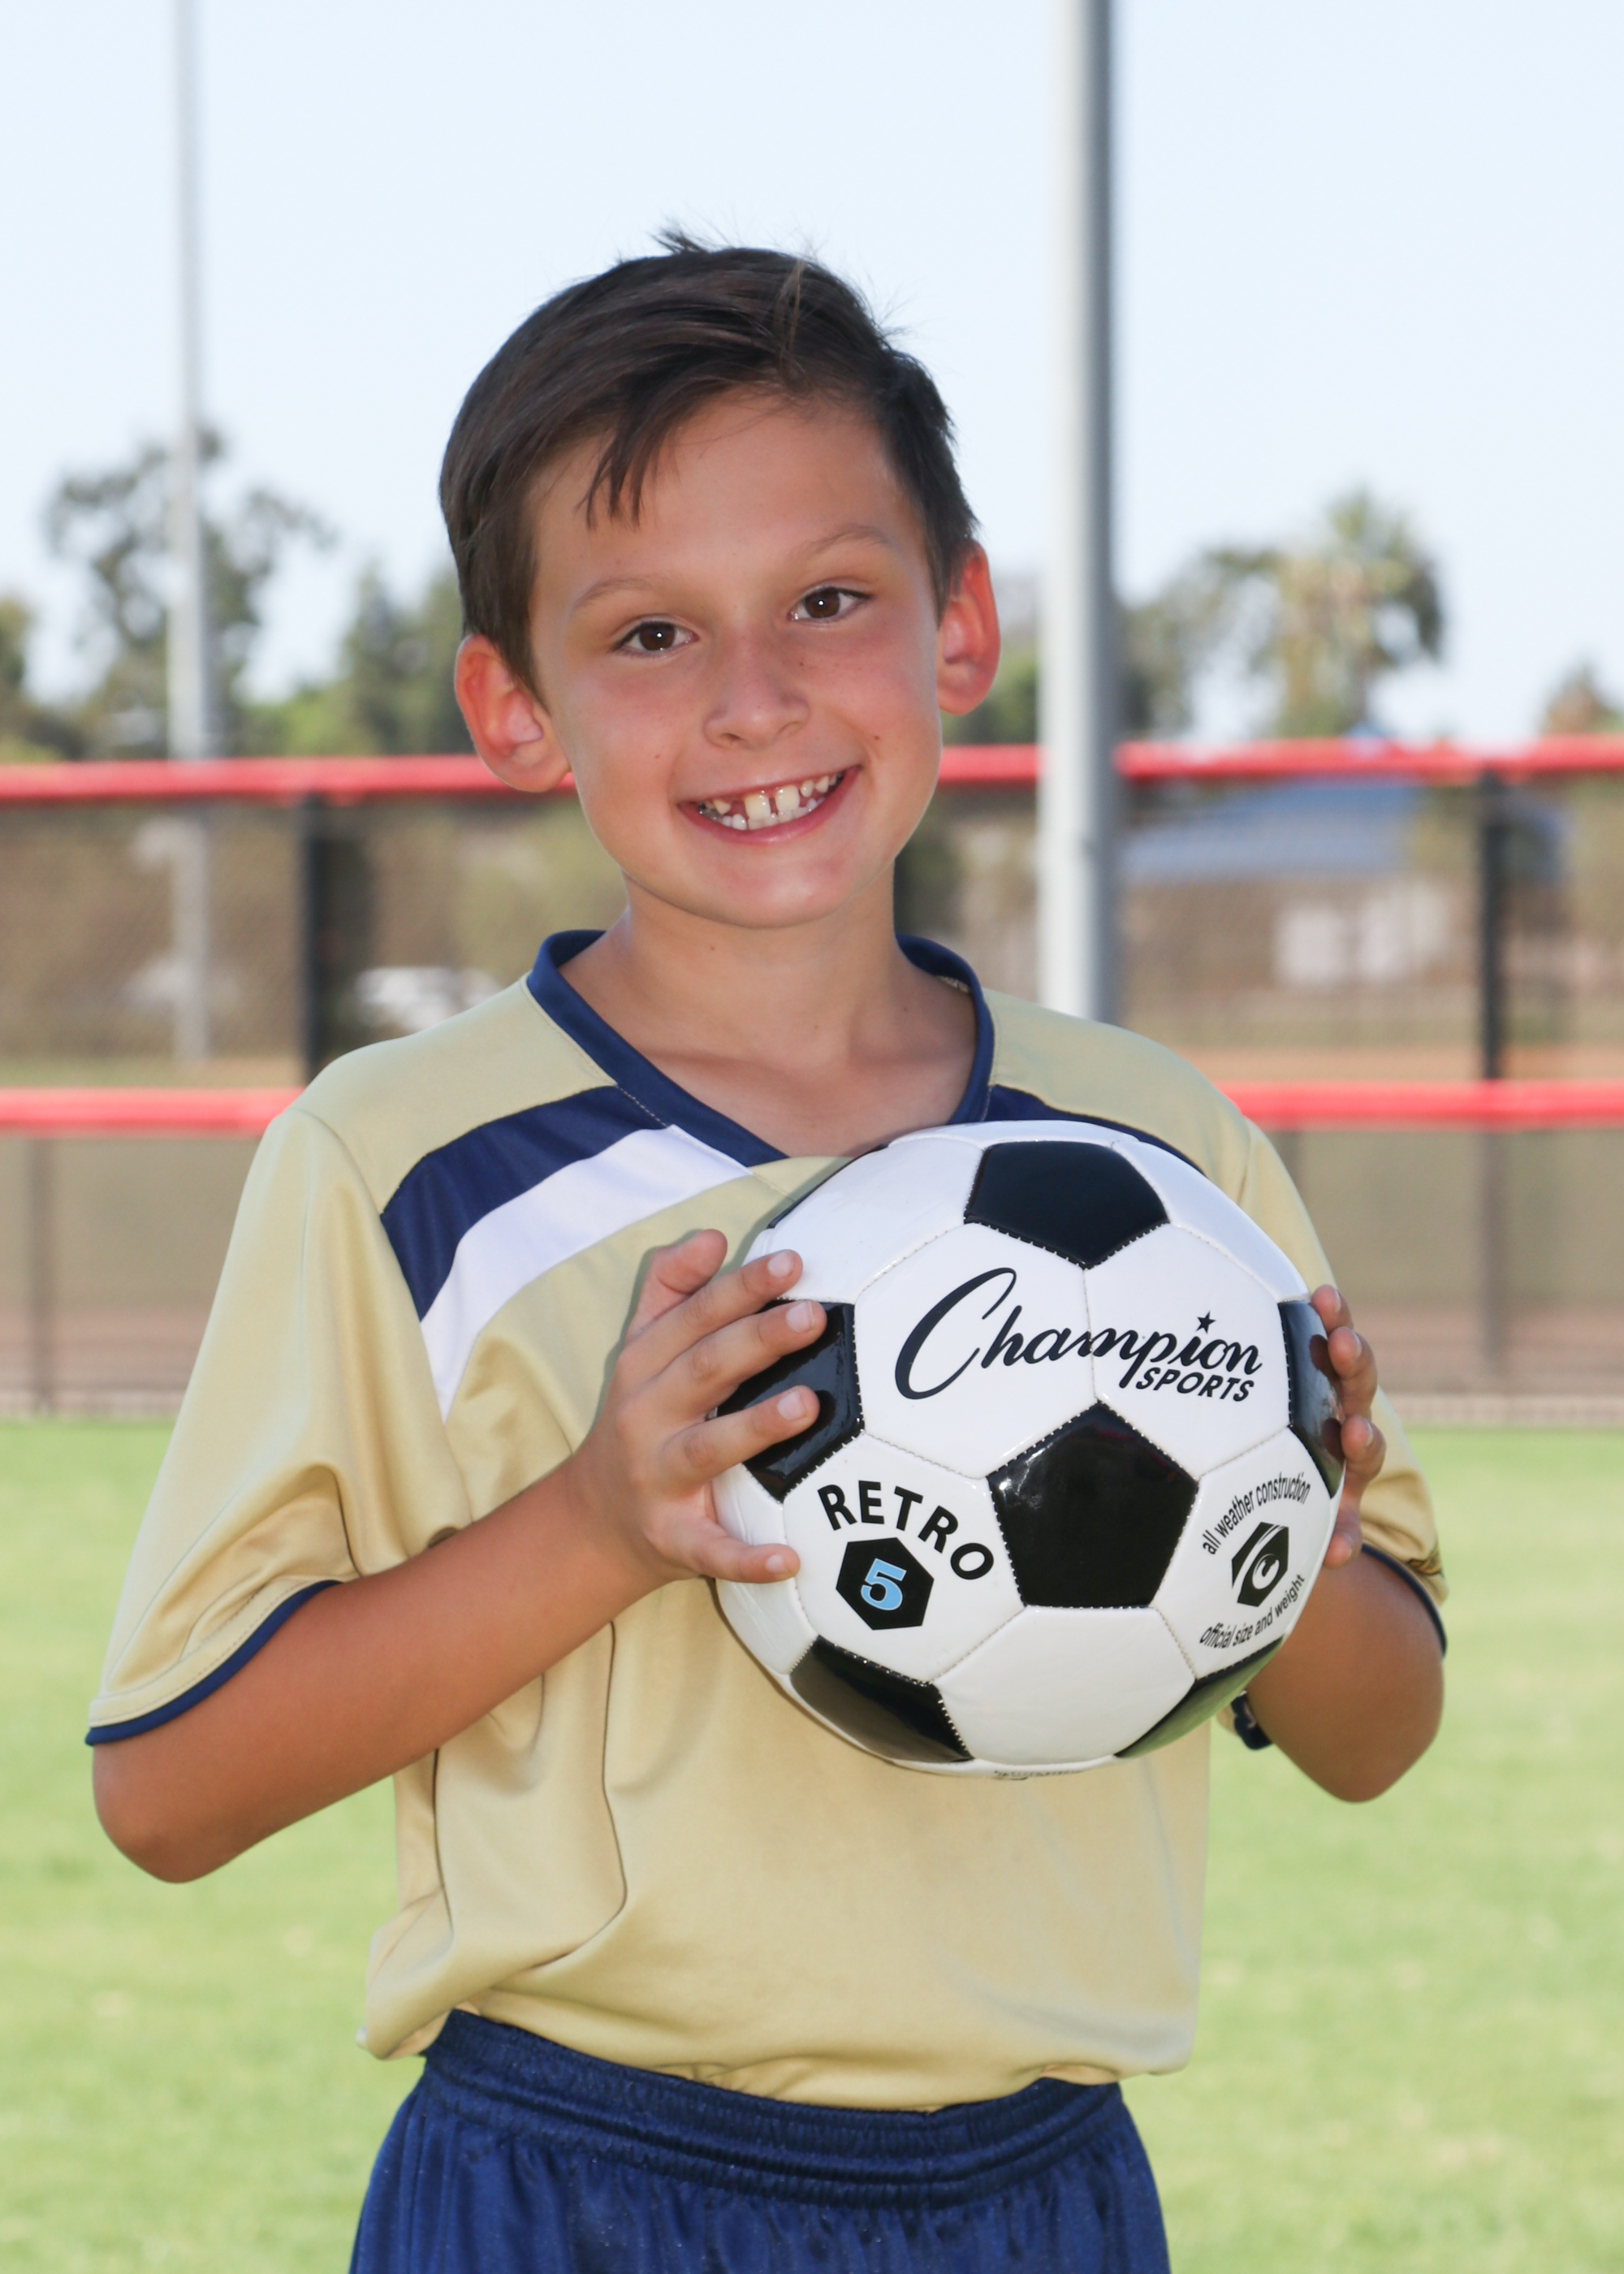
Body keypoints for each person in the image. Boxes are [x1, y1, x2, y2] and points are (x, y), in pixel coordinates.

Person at [89, 239, 1446, 2273]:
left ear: (957, 622)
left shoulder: (1165, 1156)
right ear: (515, 707)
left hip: (1040, 2191)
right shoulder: (398, 1163)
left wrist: (1283, 1519)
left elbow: (1375, 1730)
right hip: (571, 2175)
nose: (754, 697)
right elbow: (169, 1789)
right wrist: (596, 1523)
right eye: (649, 631)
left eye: (827, 599)